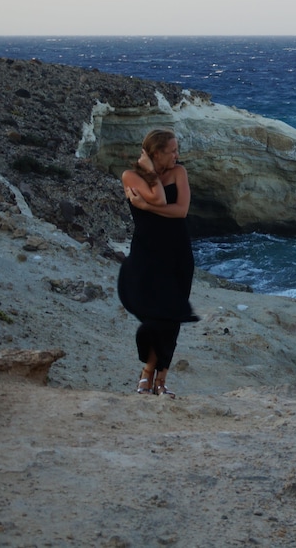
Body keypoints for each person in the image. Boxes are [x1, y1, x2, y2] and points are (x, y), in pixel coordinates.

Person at [118, 128, 199, 397]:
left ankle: (159, 379)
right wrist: (151, 173)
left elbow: (181, 211)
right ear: (155, 153)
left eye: (177, 150)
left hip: (177, 254)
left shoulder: (179, 172)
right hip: (147, 253)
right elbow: (162, 198)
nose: (177, 155)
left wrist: (146, 207)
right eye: (172, 151)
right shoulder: (130, 176)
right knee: (154, 317)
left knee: (171, 318)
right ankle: (147, 373)